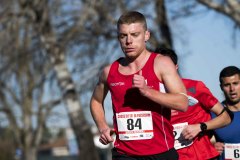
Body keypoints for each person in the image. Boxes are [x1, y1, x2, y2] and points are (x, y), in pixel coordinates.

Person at [90, 11, 189, 160]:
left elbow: (182, 103)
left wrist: (147, 91)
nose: (128, 41)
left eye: (135, 34)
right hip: (124, 153)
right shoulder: (109, 72)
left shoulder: (161, 63)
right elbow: (96, 101)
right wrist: (103, 127)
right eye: (123, 36)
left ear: (146, 35)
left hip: (160, 152)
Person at [155, 47, 232, 160]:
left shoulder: (195, 87)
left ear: (176, 68)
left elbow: (226, 117)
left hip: (203, 157)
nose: (164, 71)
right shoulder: (149, 95)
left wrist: (201, 127)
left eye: (167, 67)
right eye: (159, 67)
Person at [211, 66, 240, 160]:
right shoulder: (213, 114)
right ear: (221, 87)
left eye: (235, 83)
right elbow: (203, 143)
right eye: (227, 85)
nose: (232, 89)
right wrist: (211, 147)